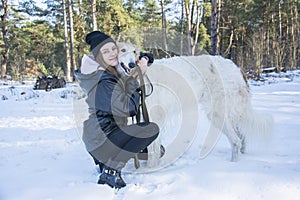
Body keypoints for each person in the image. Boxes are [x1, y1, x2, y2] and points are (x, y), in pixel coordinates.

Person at [75, 31, 160, 189]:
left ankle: (109, 159)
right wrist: (138, 76)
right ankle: (110, 170)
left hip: (101, 135)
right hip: (102, 140)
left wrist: (144, 57)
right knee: (150, 130)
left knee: (144, 141)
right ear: (98, 55)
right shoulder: (102, 80)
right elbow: (129, 108)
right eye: (105, 51)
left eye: (113, 49)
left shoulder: (104, 70)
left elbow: (126, 66)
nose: (112, 54)